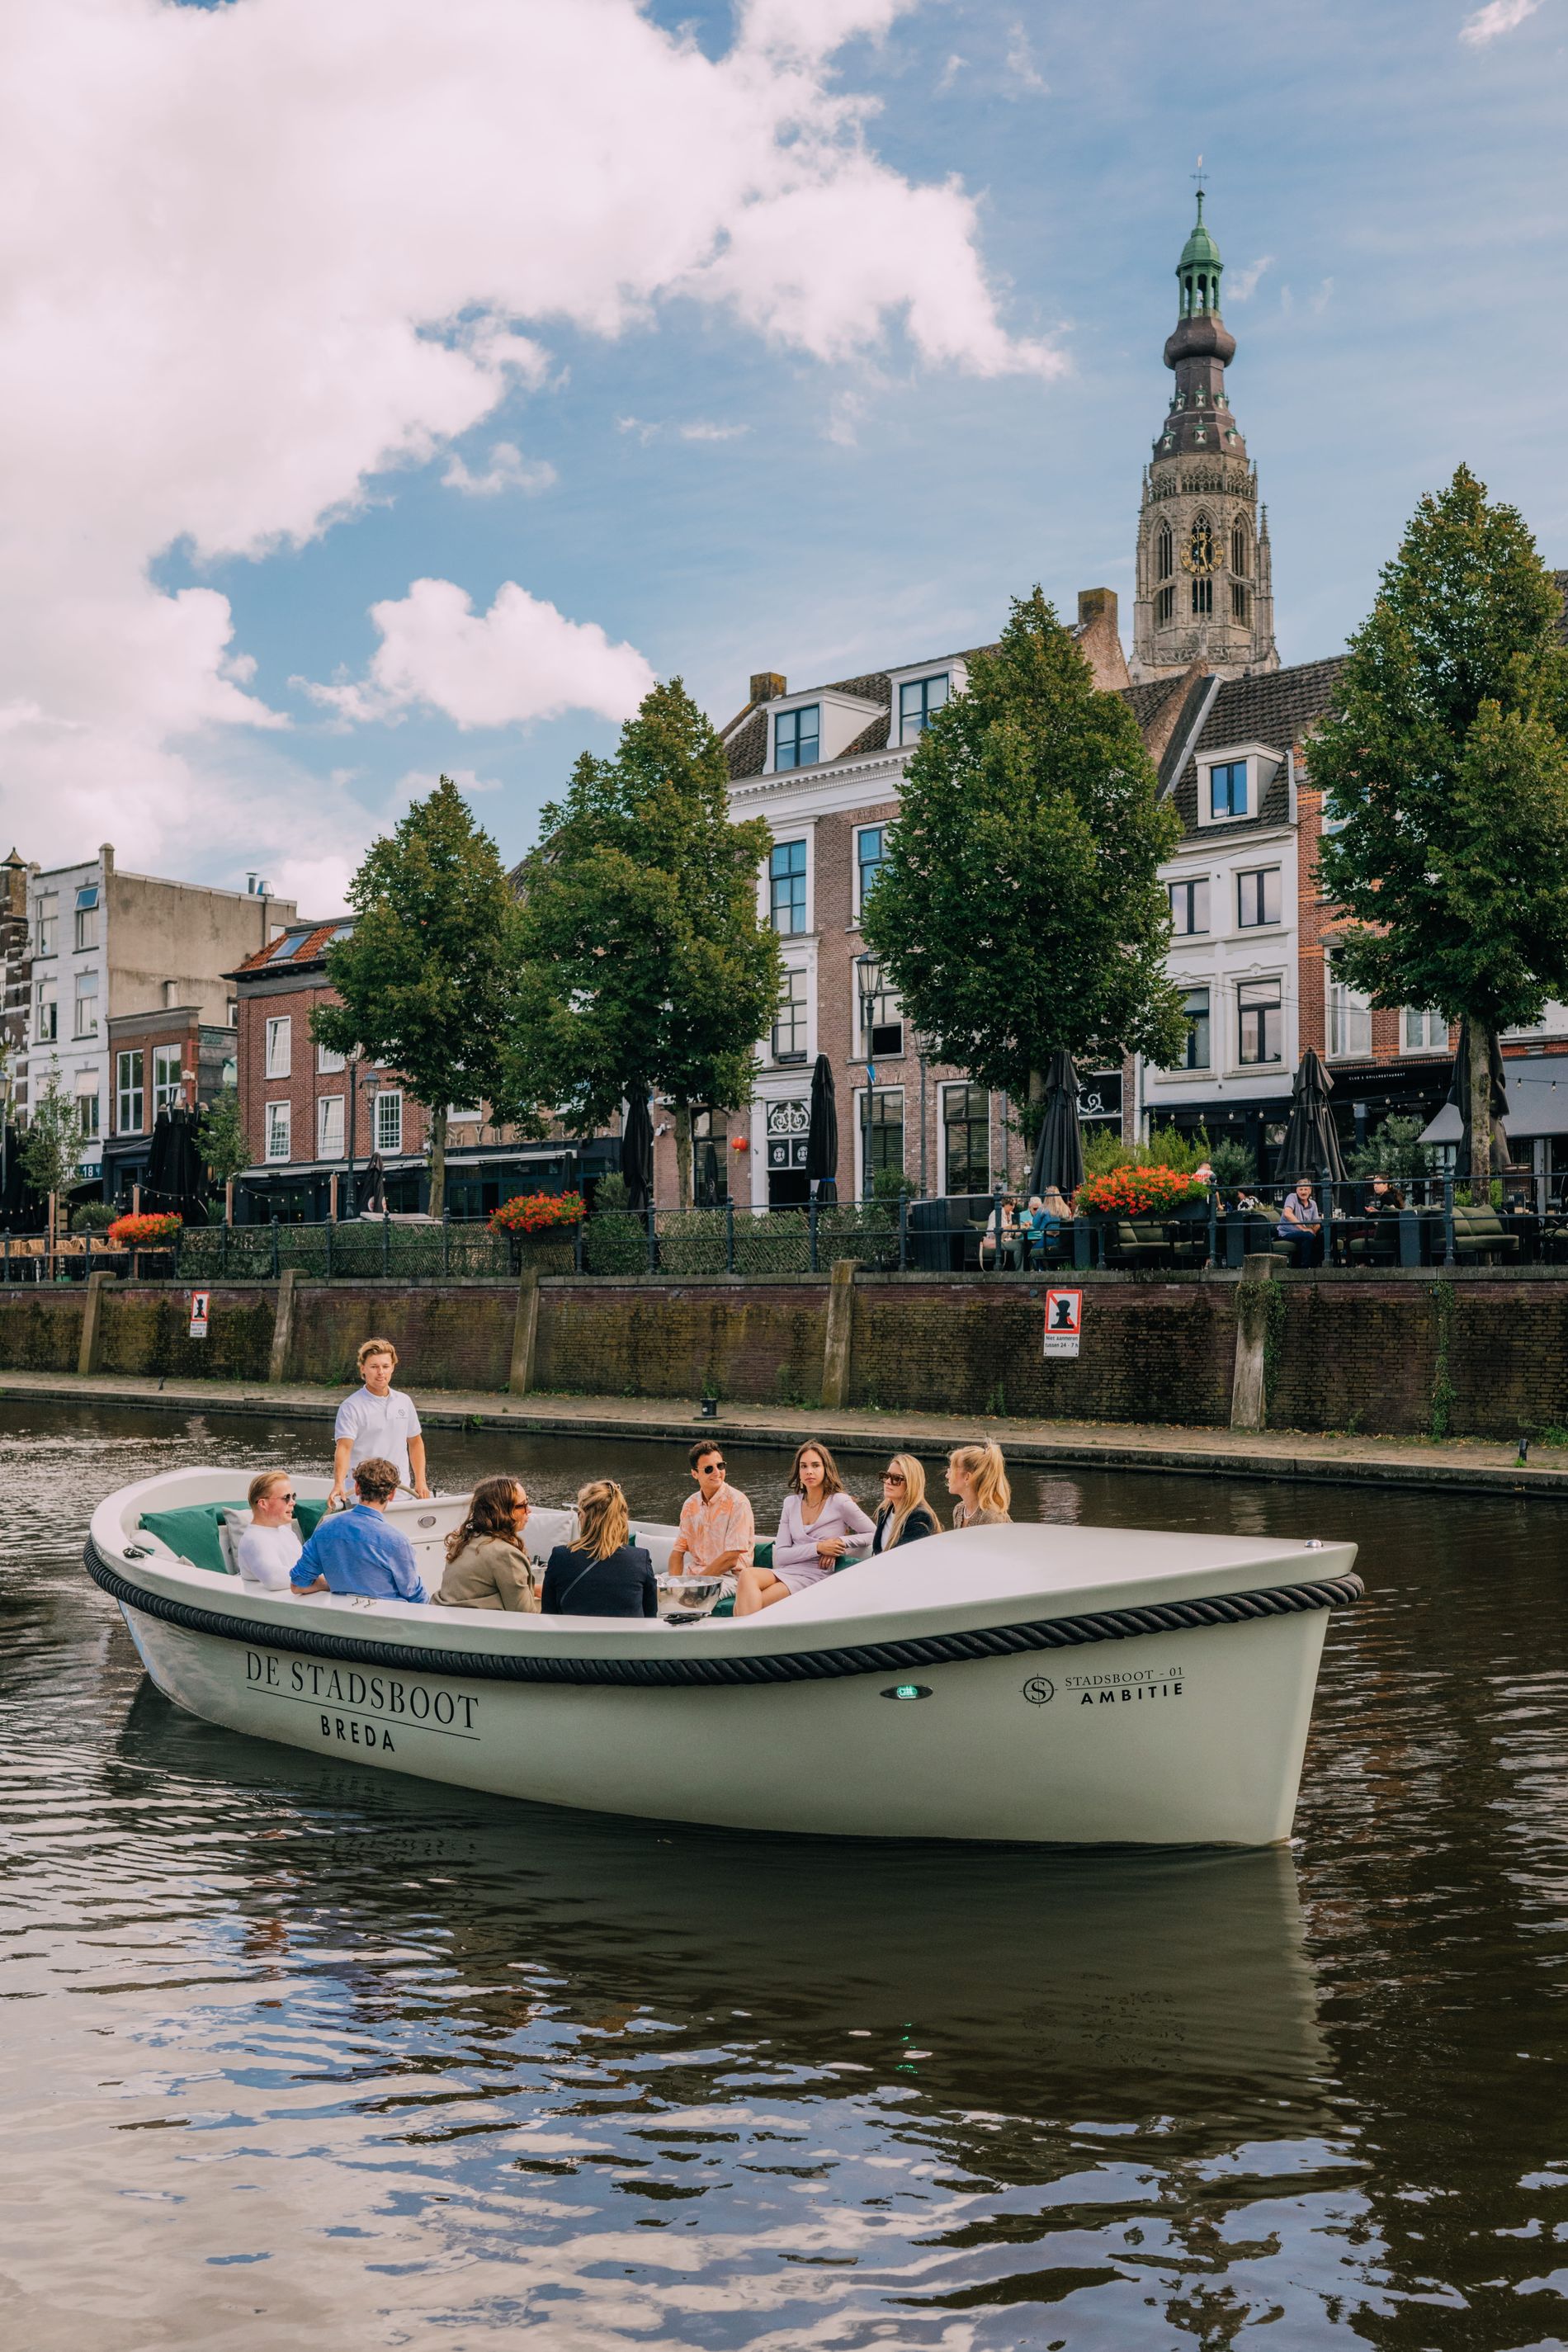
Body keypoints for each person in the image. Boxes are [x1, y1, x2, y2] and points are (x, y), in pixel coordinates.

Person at [735, 1441, 876, 1614]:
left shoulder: (840, 1502)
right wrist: (819, 1547)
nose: (809, 1471)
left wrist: (839, 1542)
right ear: (798, 1472)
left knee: (752, 1604)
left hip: (815, 1574)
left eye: (815, 1465)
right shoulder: (790, 1503)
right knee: (747, 1575)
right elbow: (781, 1555)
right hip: (788, 1569)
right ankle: (746, 1637)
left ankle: (739, 1638)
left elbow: (872, 1533)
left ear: (826, 1468)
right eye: (804, 1466)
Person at [290, 1457, 427, 1600]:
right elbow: (415, 1597)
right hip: (388, 1619)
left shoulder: (324, 1530)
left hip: (341, 1618)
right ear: (392, 1494)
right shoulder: (397, 1542)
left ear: (356, 1488)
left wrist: (331, 1584)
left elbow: (298, 1584)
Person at [330, 1336, 429, 1507]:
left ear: (392, 1368)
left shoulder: (404, 1401)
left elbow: (415, 1443)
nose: (380, 1372)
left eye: (385, 1366)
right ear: (363, 1369)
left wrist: (421, 1481)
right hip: (363, 1497)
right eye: (374, 1367)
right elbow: (344, 1448)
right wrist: (338, 1484)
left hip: (401, 1493)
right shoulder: (351, 1406)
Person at [542, 1481, 658, 1618]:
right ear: (620, 1519)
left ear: (583, 1516)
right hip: (626, 1639)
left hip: (573, 1638)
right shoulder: (640, 1559)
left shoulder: (560, 1556)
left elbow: (548, 1615)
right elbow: (650, 1617)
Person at [436, 1476, 539, 1611]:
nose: (529, 1510)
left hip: (452, 1621)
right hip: (481, 1628)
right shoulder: (505, 1554)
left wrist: (534, 1589)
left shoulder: (463, 1542)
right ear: (503, 1512)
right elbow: (526, 1615)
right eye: (522, 1505)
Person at [667, 1441, 754, 1581]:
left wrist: (697, 1583)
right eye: (709, 1469)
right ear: (695, 1474)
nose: (717, 1472)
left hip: (730, 1576)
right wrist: (673, 1583)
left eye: (720, 1466)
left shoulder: (738, 1503)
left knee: (692, 1599)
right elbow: (678, 1551)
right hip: (696, 1572)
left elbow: (731, 1558)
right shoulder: (690, 1505)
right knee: (655, 1590)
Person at [235, 1469, 302, 1590]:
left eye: (293, 1496)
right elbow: (274, 1579)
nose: (293, 1502)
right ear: (263, 1504)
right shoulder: (254, 1540)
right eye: (287, 1497)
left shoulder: (286, 1532)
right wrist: (323, 1582)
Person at [871, 1454, 940, 1553]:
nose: (888, 1482)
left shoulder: (920, 1516)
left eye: (896, 1478)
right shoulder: (884, 1511)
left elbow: (905, 1558)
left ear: (911, 1484)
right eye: (886, 1476)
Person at [947, 1440, 1013, 1528]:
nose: (947, 1475)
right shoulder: (959, 1510)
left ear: (967, 1477)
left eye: (951, 1470)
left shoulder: (992, 1518)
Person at [1277, 1178, 1324, 1265]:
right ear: (1296, 1190)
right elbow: (1287, 1213)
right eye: (1301, 1189)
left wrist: (1314, 1230)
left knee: (1323, 1234)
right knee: (1308, 1236)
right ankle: (1304, 1267)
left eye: (1306, 1189)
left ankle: (1318, 1265)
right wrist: (1303, 1228)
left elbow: (1317, 1222)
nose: (1303, 1192)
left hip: (1301, 1233)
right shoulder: (1292, 1197)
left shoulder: (1313, 1204)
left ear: (1310, 1191)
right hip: (1286, 1233)